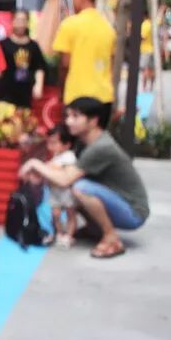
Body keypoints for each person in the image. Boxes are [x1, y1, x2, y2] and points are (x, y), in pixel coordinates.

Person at [20, 97, 149, 258]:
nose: (68, 121)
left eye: (75, 116)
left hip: (133, 212)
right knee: (74, 185)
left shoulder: (101, 147)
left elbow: (65, 179)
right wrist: (40, 174)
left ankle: (111, 239)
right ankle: (94, 228)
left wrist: (34, 163)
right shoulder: (84, 142)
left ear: (93, 121)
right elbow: (64, 173)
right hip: (117, 200)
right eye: (68, 116)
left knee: (80, 188)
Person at [52, 0, 115, 125]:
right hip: (103, 97)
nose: (73, 1)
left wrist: (61, 91)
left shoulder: (69, 25)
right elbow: (110, 65)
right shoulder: (108, 28)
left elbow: (64, 64)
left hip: (77, 97)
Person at [0, 9, 46, 108]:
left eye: (23, 20)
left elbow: (39, 67)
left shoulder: (33, 46)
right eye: (17, 20)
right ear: (12, 22)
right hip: (4, 90)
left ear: (27, 23)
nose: (20, 24)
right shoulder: (3, 44)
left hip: (24, 91)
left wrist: (38, 85)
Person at [39, 123, 78, 249]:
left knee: (70, 213)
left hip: (66, 191)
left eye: (54, 143)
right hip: (54, 191)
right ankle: (60, 233)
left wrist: (45, 167)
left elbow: (57, 169)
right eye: (49, 142)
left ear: (67, 145)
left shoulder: (69, 156)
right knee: (55, 214)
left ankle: (69, 236)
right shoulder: (55, 156)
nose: (50, 146)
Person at [140, 14, 156, 93]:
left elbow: (143, 37)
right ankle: (151, 88)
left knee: (145, 70)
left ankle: (144, 88)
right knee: (152, 70)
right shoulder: (152, 25)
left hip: (145, 50)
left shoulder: (145, 25)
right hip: (153, 50)